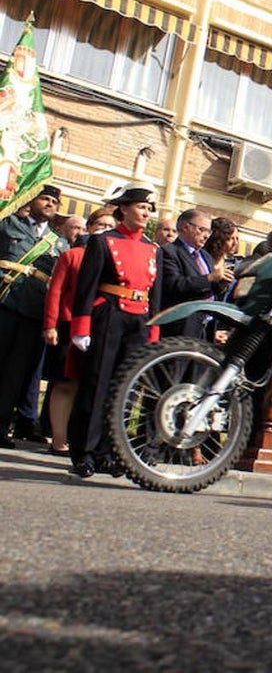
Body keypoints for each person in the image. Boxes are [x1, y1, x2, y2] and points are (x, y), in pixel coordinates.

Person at [68, 184, 163, 477]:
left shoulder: (153, 248)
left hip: (138, 319)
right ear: (124, 209)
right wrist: (81, 324)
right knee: (97, 384)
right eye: (141, 207)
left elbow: (156, 294)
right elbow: (86, 286)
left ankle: (110, 452)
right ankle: (84, 451)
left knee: (126, 389)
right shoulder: (102, 241)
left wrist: (154, 329)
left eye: (149, 209)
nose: (146, 212)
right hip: (109, 313)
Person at [0, 184, 64, 448]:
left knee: (16, 374)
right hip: (4, 303)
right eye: (45, 198)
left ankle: (2, 426)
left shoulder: (57, 241)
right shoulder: (7, 225)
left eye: (54, 202)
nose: (49, 204)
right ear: (32, 200)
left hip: (32, 312)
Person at [40, 213, 96, 454]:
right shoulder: (71, 256)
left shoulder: (106, 259)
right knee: (64, 384)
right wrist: (50, 325)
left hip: (96, 327)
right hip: (67, 324)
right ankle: (59, 439)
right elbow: (56, 292)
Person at [157, 209, 233, 339]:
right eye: (202, 230)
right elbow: (175, 285)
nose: (206, 236)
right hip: (180, 327)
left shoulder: (205, 256)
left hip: (204, 327)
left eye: (209, 231)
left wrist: (220, 285)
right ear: (185, 227)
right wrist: (210, 277)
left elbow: (206, 289)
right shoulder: (169, 252)